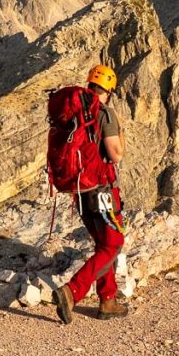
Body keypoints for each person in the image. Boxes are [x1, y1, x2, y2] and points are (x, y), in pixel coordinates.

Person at [54, 64, 129, 323]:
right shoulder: (103, 112)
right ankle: (72, 291)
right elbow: (115, 154)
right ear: (108, 90)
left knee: (103, 244)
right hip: (101, 190)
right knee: (114, 243)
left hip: (79, 190)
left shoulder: (76, 111)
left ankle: (107, 300)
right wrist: (120, 131)